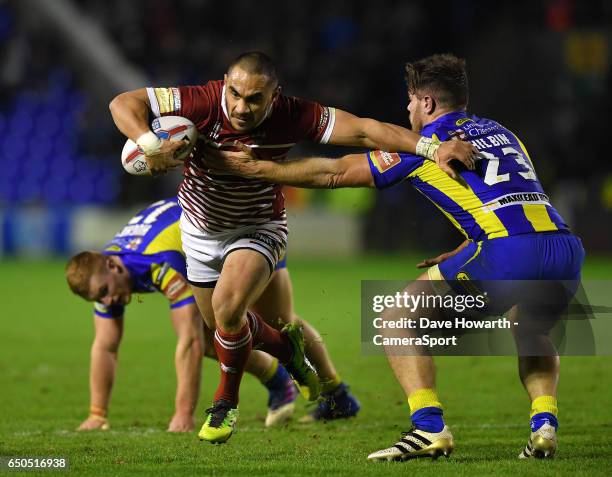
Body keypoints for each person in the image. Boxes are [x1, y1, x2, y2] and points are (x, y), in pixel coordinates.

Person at [206, 54, 584, 460]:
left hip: (509, 252)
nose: (406, 111)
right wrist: (469, 244)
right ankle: (544, 425)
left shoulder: (429, 146)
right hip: (563, 250)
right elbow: (513, 202)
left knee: (395, 319)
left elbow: (334, 174)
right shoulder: (503, 133)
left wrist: (258, 170)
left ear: (426, 103)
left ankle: (428, 429)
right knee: (530, 330)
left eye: (410, 102)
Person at [108, 51, 477, 444]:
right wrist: (150, 144)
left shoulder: (294, 114)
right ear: (225, 84)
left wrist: (430, 148)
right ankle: (294, 356)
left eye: (254, 99)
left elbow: (366, 131)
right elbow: (122, 103)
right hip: (199, 233)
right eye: (235, 94)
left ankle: (224, 405)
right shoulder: (200, 101)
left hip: (258, 227)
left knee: (229, 311)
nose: (241, 107)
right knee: (222, 329)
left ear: (274, 96)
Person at [66, 197, 301, 431]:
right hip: (208, 243)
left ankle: (327, 390)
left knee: (274, 321)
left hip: (245, 230)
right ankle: (287, 383)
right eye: (98, 298)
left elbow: (189, 340)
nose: (106, 301)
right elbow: (105, 346)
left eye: (105, 292)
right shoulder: (109, 272)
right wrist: (97, 414)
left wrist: (183, 413)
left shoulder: (157, 262)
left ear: (113, 267)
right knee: (217, 336)